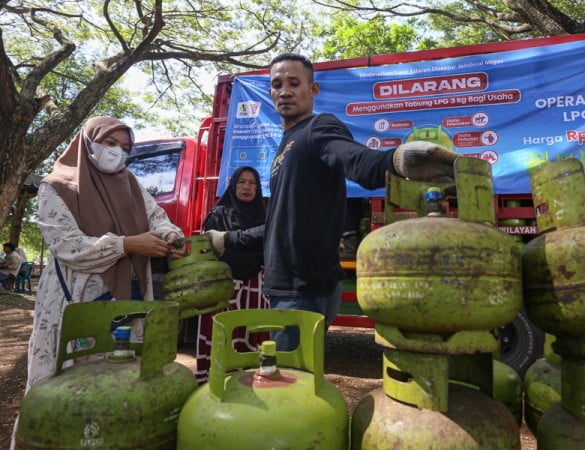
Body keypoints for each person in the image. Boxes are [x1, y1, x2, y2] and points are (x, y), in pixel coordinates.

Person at [207, 53, 458, 351]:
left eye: (294, 83)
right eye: (277, 84)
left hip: (300, 290)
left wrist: (397, 159)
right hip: (294, 287)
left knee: (289, 386)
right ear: (271, 92)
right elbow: (278, 225)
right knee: (297, 383)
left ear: (312, 90)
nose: (285, 91)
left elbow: (357, 161)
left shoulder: (318, 128)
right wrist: (227, 239)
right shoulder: (287, 146)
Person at [23, 116, 185, 390]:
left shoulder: (130, 183)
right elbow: (67, 245)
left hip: (127, 300)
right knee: (66, 382)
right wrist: (127, 245)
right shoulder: (56, 186)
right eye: (110, 143)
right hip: (77, 298)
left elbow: (157, 216)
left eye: (125, 148)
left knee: (117, 380)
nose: (117, 152)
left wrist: (170, 235)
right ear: (88, 141)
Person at [196, 166, 266, 383]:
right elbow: (205, 251)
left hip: (254, 286)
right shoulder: (217, 214)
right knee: (222, 336)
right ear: (233, 185)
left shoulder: (263, 215)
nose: (247, 187)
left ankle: (248, 382)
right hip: (223, 287)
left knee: (252, 336)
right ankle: (215, 382)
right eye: (241, 182)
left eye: (252, 182)